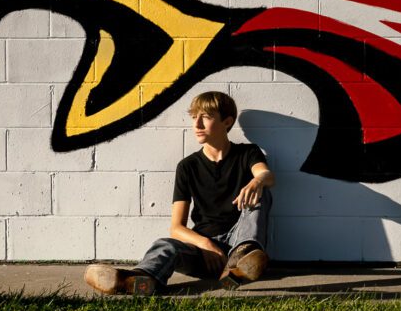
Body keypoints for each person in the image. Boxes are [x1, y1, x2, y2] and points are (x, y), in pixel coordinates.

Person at [84, 91, 275, 295]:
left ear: (227, 122)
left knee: (262, 192)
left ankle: (239, 264)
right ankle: (138, 280)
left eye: (206, 117)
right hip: (203, 253)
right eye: (194, 117)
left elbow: (266, 175)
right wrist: (205, 244)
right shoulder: (187, 166)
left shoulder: (247, 153)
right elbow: (176, 228)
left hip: (238, 244)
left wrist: (257, 181)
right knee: (165, 245)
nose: (197, 125)